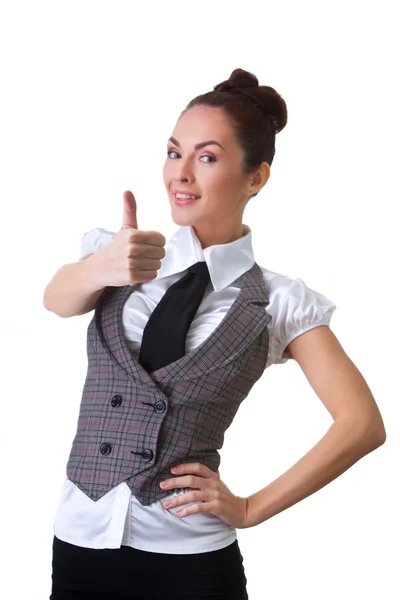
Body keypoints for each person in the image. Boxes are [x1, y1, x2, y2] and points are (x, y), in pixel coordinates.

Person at [44, 68, 386, 599]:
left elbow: (362, 423)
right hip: (80, 543)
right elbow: (57, 300)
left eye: (206, 157)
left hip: (190, 562)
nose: (181, 174)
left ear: (256, 178)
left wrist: (250, 507)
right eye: (173, 152)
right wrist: (102, 267)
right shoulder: (121, 254)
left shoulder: (279, 301)